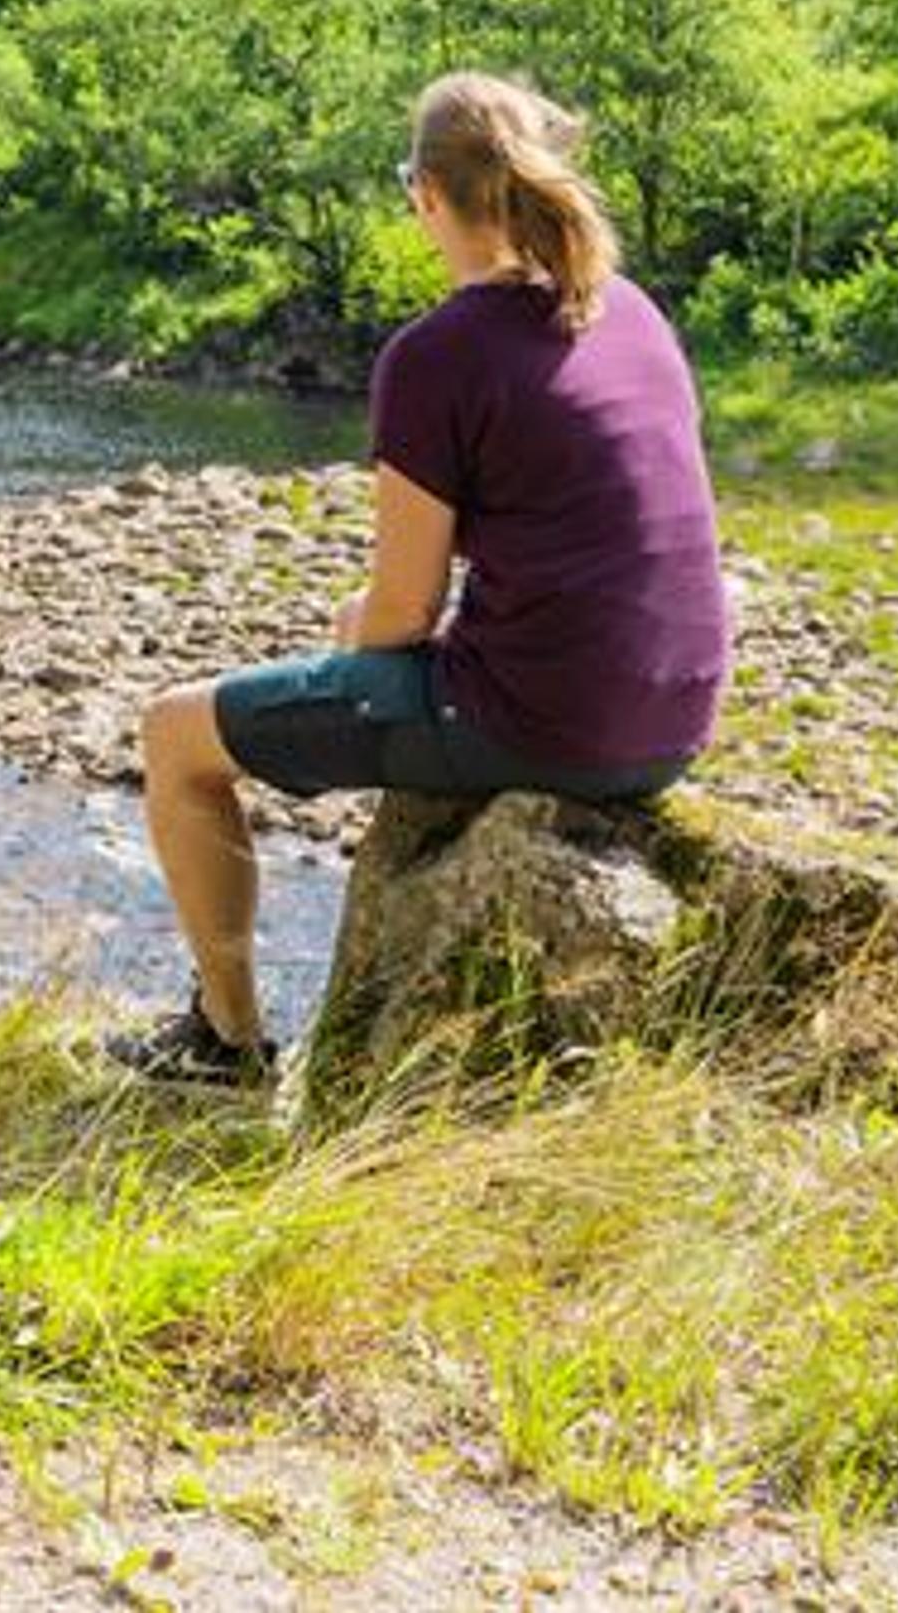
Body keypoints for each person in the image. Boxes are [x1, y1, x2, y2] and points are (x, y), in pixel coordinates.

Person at [107, 71, 731, 1090]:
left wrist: (351, 636)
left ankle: (226, 1042)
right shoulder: (630, 310)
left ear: (426, 195)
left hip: (546, 723)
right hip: (675, 721)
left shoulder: (434, 354)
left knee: (176, 734)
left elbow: (403, 610)